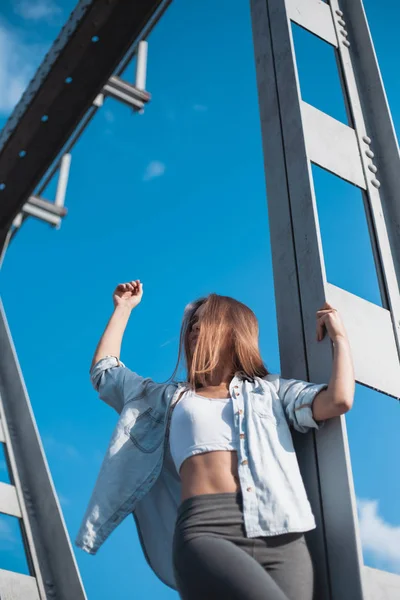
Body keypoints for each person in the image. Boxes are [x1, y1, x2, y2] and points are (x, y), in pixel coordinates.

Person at [75, 279, 355, 600]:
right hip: (206, 530)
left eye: (203, 322)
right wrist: (123, 308)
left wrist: (341, 339)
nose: (193, 331)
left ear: (233, 329)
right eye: (191, 325)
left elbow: (338, 400)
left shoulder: (272, 391)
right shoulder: (166, 398)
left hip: (284, 536)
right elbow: (105, 372)